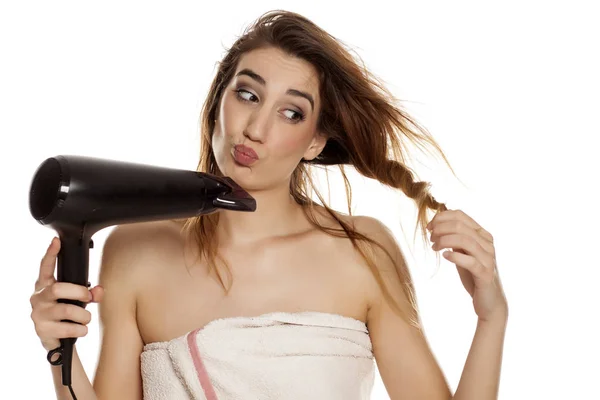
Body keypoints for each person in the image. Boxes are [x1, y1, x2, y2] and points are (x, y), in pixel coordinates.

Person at [29, 10, 508, 400]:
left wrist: (491, 318)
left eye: (291, 112)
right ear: (219, 99)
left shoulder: (361, 252)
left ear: (316, 141)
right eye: (247, 93)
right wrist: (60, 353)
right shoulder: (135, 250)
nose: (255, 128)